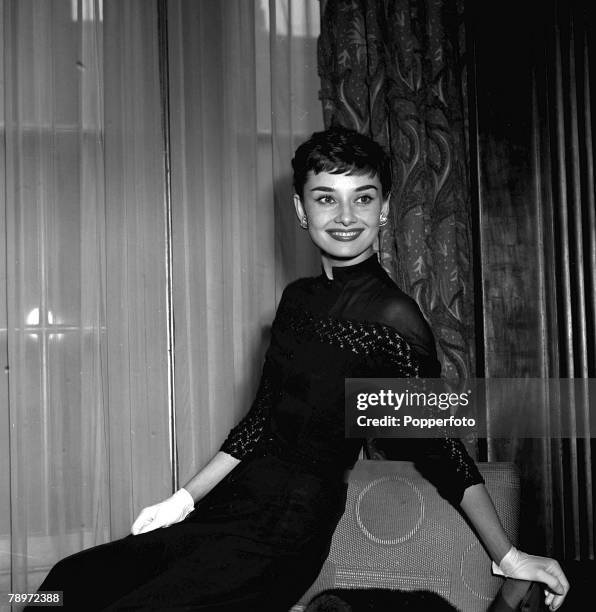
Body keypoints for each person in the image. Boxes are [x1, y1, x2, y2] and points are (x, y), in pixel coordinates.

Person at [31, 127, 569, 611]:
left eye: (363, 198)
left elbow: (441, 447)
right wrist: (183, 499)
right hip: (228, 507)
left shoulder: (394, 317)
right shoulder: (296, 300)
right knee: (67, 582)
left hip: (286, 528)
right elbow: (261, 419)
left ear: (383, 209)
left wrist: (509, 555)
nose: (345, 218)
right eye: (325, 199)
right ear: (300, 210)